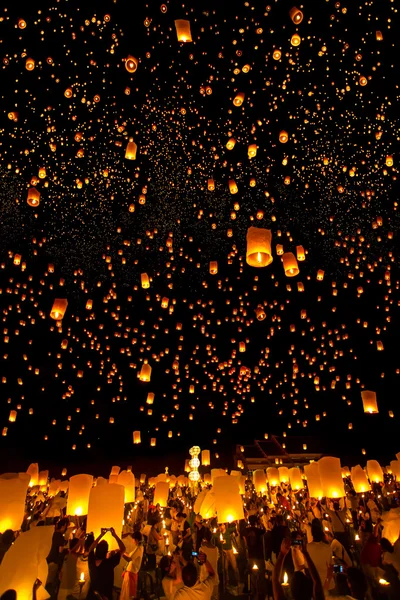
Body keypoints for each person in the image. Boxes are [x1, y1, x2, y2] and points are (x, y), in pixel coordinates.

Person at [293, 519, 334, 593]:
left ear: (311, 534)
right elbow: (331, 567)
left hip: (313, 585)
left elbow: (302, 567)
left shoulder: (307, 547)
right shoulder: (328, 547)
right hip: (327, 584)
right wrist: (327, 582)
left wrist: (293, 551)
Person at [87, 527, 126, 600]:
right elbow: (123, 549)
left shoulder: (91, 561)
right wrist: (114, 535)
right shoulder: (109, 563)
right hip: (105, 597)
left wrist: (101, 535)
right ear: (106, 551)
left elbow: (91, 549)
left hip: (92, 596)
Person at [45, 517, 70, 599]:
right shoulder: (59, 536)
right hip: (54, 563)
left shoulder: (53, 533)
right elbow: (60, 551)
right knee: (50, 584)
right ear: (63, 526)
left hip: (48, 561)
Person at [214, 522, 240, 588]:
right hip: (224, 551)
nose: (221, 527)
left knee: (234, 566)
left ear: (224, 525)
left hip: (230, 550)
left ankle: (238, 581)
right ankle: (226, 582)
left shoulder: (228, 530)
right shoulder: (219, 533)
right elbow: (213, 536)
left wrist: (237, 522)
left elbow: (236, 528)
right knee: (225, 567)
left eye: (222, 525)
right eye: (220, 525)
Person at [120, 531, 143, 600]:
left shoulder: (139, 548)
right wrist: (123, 552)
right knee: (126, 593)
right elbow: (130, 556)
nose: (132, 541)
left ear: (136, 539)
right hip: (130, 573)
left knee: (128, 595)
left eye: (133, 539)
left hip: (131, 574)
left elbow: (129, 559)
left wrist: (121, 553)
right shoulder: (138, 547)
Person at [199, 529, 219, 600]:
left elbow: (200, 562)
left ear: (204, 538)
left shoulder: (202, 549)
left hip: (205, 578)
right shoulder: (216, 549)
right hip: (215, 578)